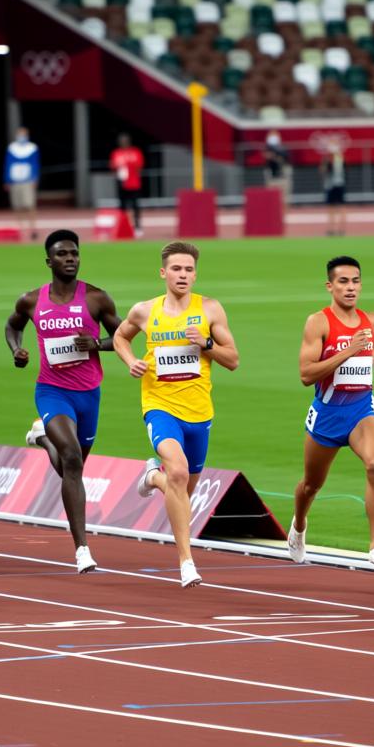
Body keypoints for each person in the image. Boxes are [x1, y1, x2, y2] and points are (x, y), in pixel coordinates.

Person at [112, 241, 239, 588]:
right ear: (163, 273)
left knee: (183, 489)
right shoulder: (144, 311)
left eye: (189, 270)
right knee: (179, 473)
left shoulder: (210, 310)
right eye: (176, 269)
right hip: (159, 406)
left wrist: (206, 343)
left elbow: (233, 360)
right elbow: (120, 337)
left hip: (199, 412)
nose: (183, 275)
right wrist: (131, 360)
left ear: (195, 274)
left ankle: (153, 478)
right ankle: (186, 561)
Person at [5, 230, 122, 573]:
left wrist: (98, 344)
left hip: (88, 394)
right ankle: (82, 549)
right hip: (52, 391)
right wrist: (17, 351)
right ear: (49, 261)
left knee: (72, 466)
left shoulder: (97, 299)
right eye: (62, 254)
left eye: (74, 253)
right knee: (71, 459)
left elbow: (124, 337)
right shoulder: (31, 300)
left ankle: (42, 437)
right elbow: (12, 327)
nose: (70, 258)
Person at [288, 256, 374, 573]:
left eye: (356, 281)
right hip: (328, 414)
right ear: (330, 286)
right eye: (343, 282)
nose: (351, 288)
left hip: (362, 409)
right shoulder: (317, 323)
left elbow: (372, 344)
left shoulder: (370, 320)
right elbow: (306, 374)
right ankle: (299, 524)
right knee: (311, 485)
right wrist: (347, 350)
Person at [4, 126, 40, 241]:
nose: (21, 137)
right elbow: (7, 164)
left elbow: (35, 164)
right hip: (15, 181)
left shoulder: (32, 148)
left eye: (23, 134)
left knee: (29, 205)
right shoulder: (12, 148)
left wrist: (35, 178)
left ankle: (32, 229)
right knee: (17, 206)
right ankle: (20, 228)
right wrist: (7, 179)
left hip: (27, 180)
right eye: (20, 134)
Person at [109, 132, 145, 237]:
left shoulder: (135, 152)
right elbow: (113, 166)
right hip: (122, 184)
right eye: (121, 141)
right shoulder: (116, 153)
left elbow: (139, 166)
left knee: (135, 206)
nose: (123, 143)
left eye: (125, 141)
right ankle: (122, 227)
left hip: (134, 184)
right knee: (122, 207)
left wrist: (128, 166)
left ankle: (138, 227)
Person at [319, 141, 347, 237]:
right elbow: (322, 171)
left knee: (341, 207)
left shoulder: (338, 160)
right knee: (331, 208)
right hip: (331, 186)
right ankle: (331, 229)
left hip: (338, 185)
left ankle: (341, 229)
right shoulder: (328, 160)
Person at [263, 130, 292, 203]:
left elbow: (286, 157)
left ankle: (284, 213)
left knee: (284, 198)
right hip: (272, 177)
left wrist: (276, 153)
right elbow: (267, 158)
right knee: (271, 198)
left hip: (282, 177)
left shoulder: (282, 149)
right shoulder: (268, 149)